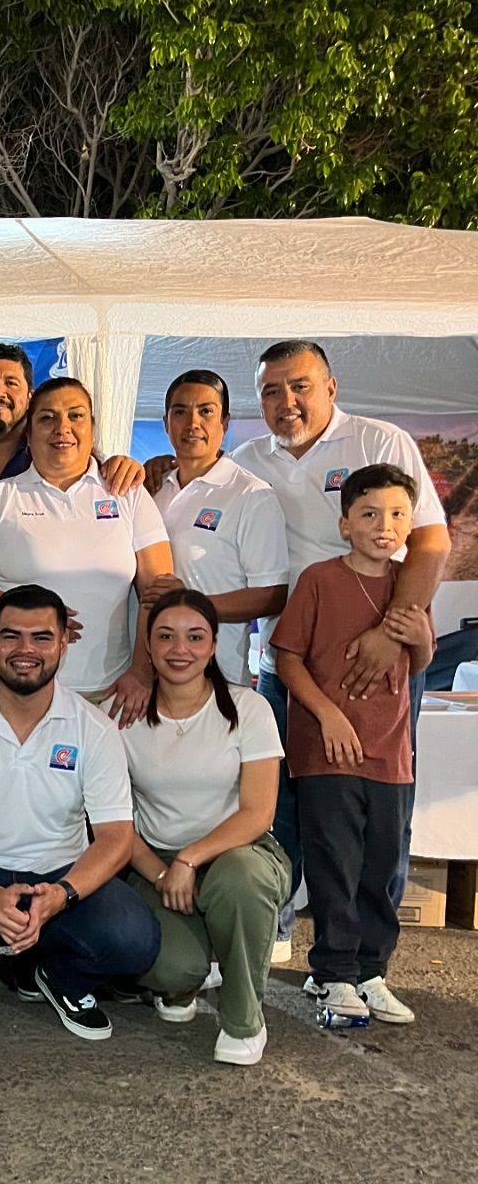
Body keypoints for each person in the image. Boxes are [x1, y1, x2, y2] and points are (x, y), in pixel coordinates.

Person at [230, 340, 450, 959]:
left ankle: (364, 956)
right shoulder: (248, 460)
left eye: (299, 385)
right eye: (271, 390)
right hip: (289, 662)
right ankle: (273, 926)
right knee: (282, 801)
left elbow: (431, 540)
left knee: (380, 810)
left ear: (331, 387)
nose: (286, 402)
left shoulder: (379, 442)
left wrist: (392, 630)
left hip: (381, 660)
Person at [0, 585, 160, 1042]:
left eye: (41, 637)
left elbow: (116, 837)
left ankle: (60, 977)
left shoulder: (94, 727)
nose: (25, 650)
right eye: (11, 636)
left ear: (63, 643)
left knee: (136, 940)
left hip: (60, 874)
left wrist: (61, 895)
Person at [270, 466, 435, 1027]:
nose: (382, 526)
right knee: (334, 863)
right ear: (345, 524)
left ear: (411, 525)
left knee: (382, 864)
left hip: (390, 754)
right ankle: (333, 974)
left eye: (395, 515)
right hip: (327, 752)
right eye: (368, 514)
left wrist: (420, 639)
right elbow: (286, 658)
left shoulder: (407, 589)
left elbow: (422, 663)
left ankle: (371, 971)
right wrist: (329, 715)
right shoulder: (319, 579)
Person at [0, 345, 145, 699]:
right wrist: (31, 613)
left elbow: (157, 586)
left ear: (29, 399)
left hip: (99, 682)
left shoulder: (104, 479)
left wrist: (151, 466)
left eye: (11, 383)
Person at [120, 590, 290, 1066]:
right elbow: (114, 822)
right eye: (166, 637)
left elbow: (258, 812)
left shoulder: (248, 707)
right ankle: (186, 979)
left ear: (214, 644)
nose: (180, 649)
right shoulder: (123, 716)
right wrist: (162, 873)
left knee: (240, 879)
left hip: (238, 852)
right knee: (173, 968)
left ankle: (243, 1021)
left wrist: (191, 859)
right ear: (148, 647)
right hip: (154, 860)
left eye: (195, 637)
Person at [0, 378, 174, 722]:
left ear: (92, 429)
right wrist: (31, 612)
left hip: (109, 690)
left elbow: (160, 591)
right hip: (9, 683)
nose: (62, 428)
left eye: (75, 416)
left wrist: (142, 671)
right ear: (29, 434)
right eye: (47, 418)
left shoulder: (128, 493)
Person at [144, 370, 289, 684]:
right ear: (166, 423)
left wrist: (192, 603)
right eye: (180, 412)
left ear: (224, 423)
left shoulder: (250, 494)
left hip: (214, 678)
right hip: (143, 674)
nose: (193, 423)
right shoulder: (149, 487)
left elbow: (273, 594)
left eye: (205, 411)